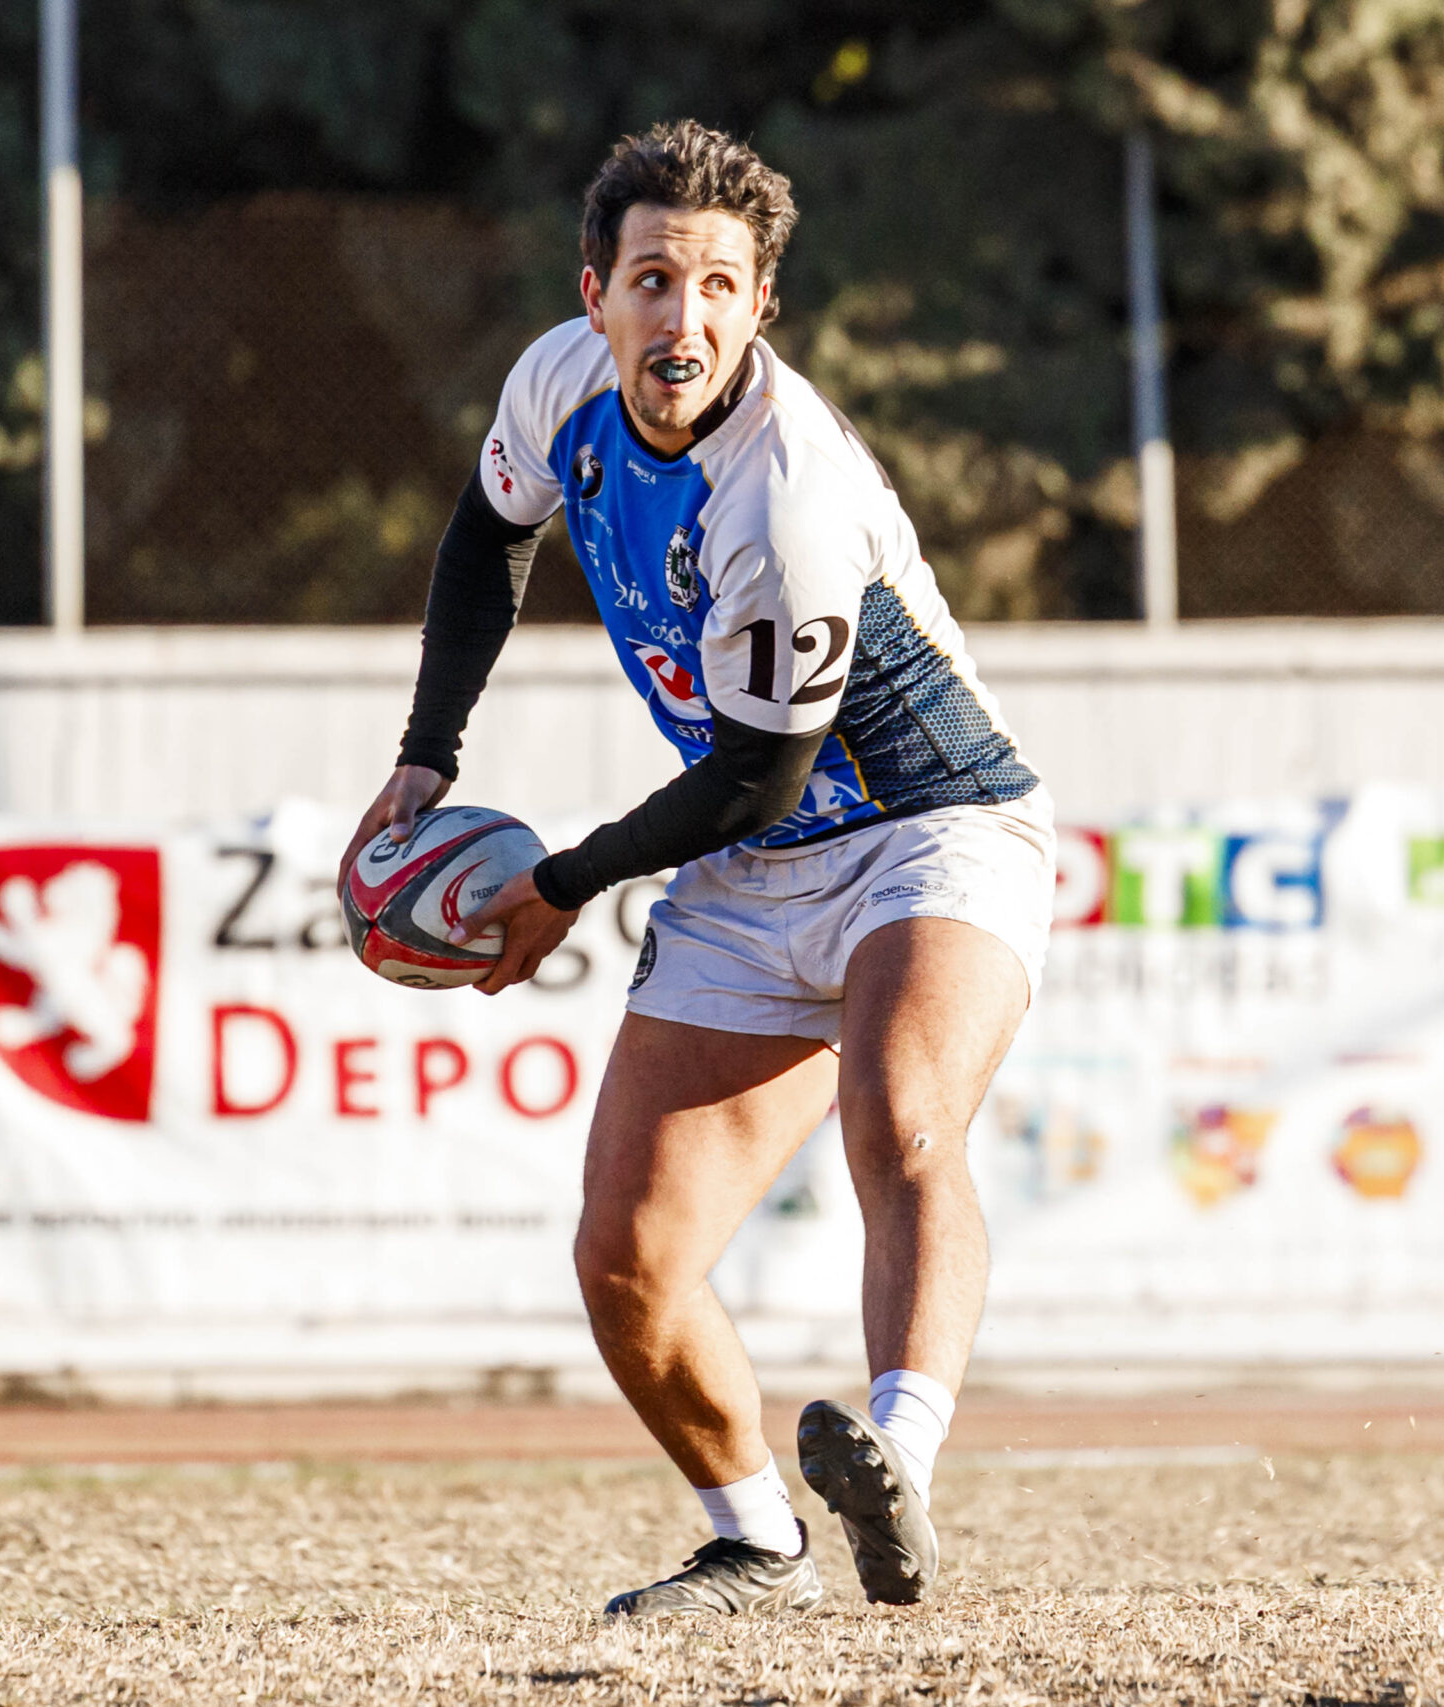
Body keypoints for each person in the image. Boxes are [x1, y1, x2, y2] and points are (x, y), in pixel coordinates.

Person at [339, 119, 1054, 1617]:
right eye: (655, 279)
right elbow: (485, 539)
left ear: (761, 306)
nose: (687, 317)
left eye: (721, 284)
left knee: (901, 1113)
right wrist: (427, 754)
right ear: (594, 291)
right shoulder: (558, 384)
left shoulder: (785, 490)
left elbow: (755, 772)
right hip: (754, 863)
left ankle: (899, 1458)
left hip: (929, 828)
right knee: (627, 1258)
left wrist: (558, 885)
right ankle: (756, 1538)